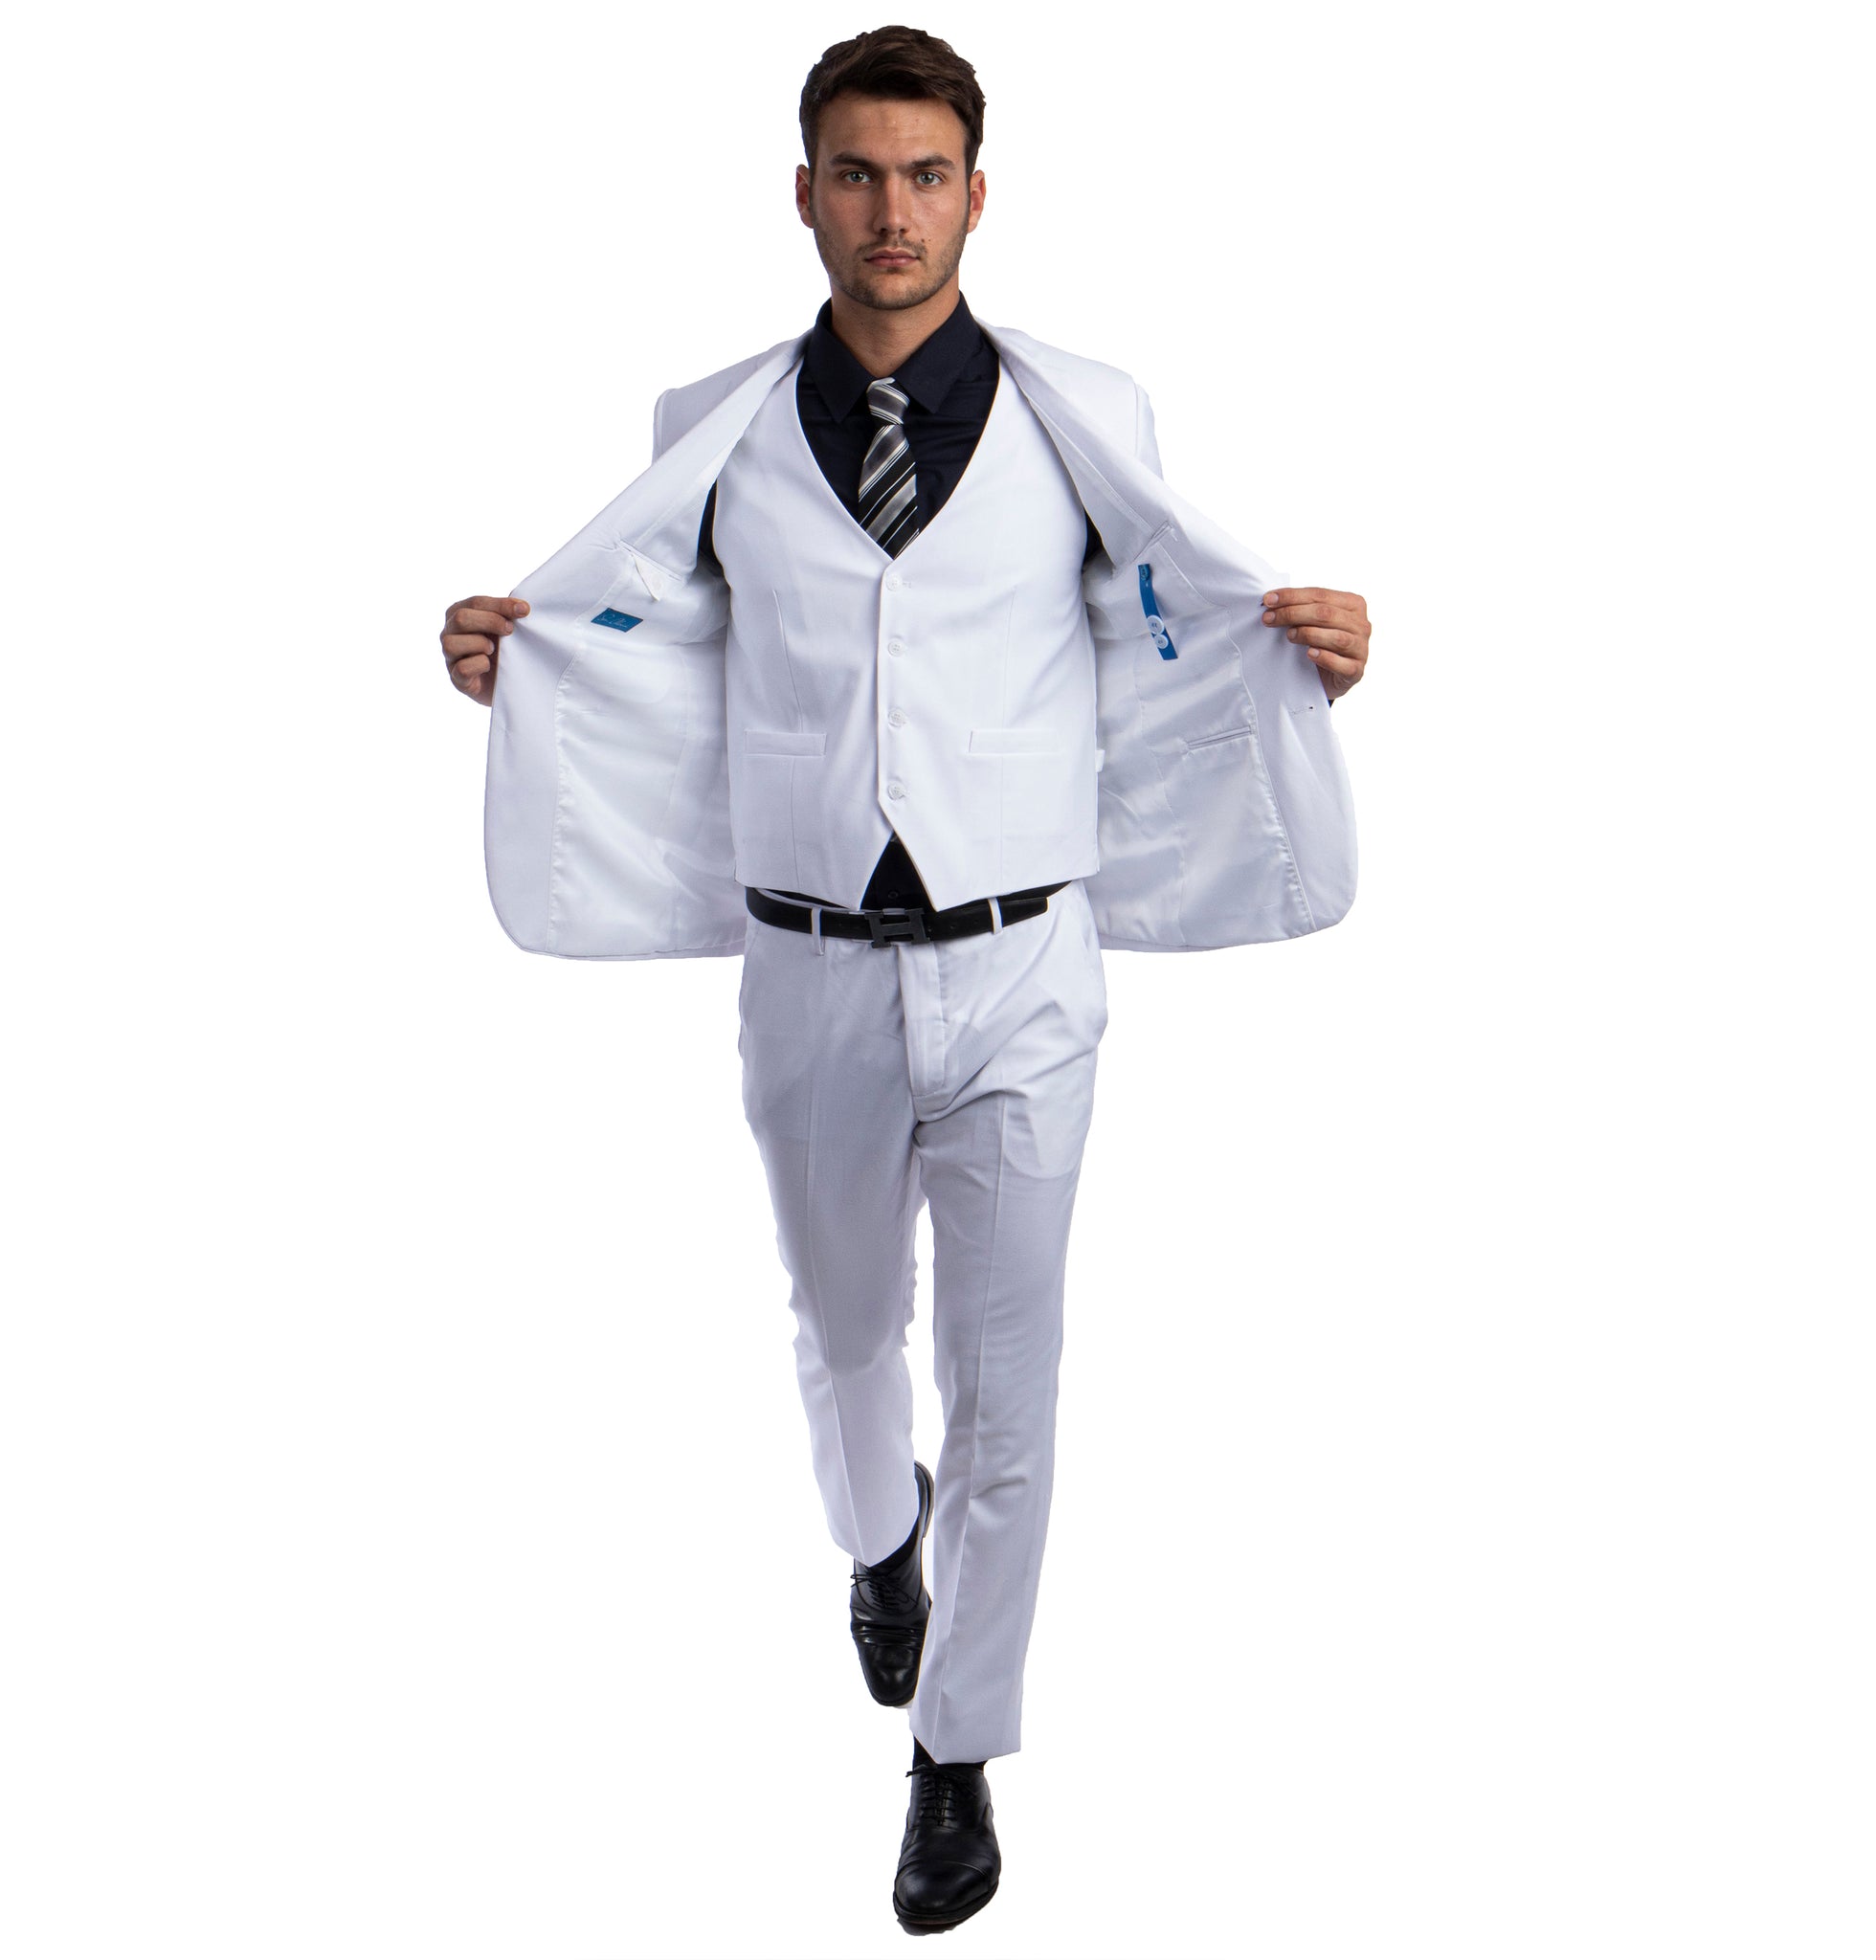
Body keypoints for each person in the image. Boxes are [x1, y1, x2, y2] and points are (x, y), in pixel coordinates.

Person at [437, 25, 1372, 1936]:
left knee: (1010, 1381)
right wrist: (518, 666)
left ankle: (956, 1752)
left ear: (975, 194)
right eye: (857, 174)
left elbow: (1166, 627)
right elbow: (647, 646)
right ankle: (882, 1540)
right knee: (847, 1327)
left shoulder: (1087, 411)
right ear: (804, 192)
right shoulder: (707, 421)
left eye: (924, 175)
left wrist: (1306, 659)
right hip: (808, 968)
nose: (892, 211)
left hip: (1025, 960)